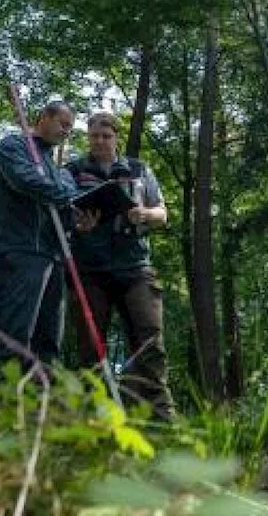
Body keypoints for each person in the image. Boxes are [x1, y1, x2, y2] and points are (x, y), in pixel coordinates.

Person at [65, 110, 176, 420]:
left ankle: (162, 420)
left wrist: (145, 214)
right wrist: (78, 225)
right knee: (90, 349)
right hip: (90, 270)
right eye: (94, 136)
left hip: (135, 266)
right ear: (87, 138)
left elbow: (162, 214)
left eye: (106, 136)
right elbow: (63, 216)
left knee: (150, 341)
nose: (100, 141)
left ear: (117, 137)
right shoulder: (72, 171)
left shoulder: (139, 169)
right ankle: (94, 422)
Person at [0, 100, 92, 367]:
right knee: (14, 333)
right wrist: (70, 198)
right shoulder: (13, 146)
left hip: (53, 257)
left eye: (70, 128)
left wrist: (80, 220)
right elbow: (25, 181)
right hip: (21, 252)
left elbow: (66, 213)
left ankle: (39, 403)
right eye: (63, 124)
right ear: (44, 117)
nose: (67, 131)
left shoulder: (59, 171)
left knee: (48, 339)